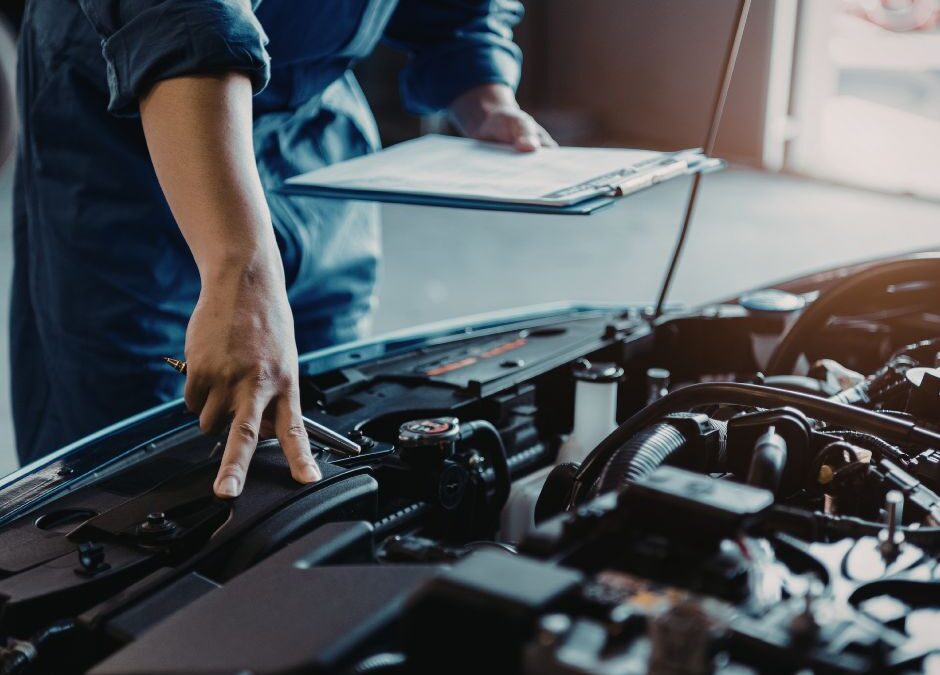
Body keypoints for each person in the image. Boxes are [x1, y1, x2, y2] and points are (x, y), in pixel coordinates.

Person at [12, 0, 554, 497]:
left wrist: (481, 87)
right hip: (140, 125)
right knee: (138, 459)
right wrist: (239, 271)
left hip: (311, 123)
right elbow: (183, 17)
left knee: (334, 404)